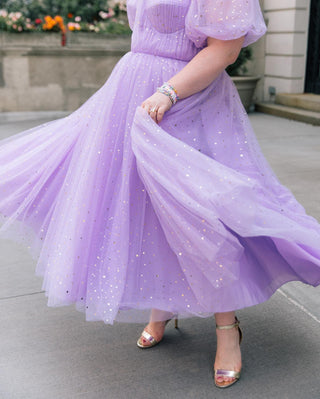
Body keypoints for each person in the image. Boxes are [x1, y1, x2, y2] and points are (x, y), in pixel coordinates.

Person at [1, 0, 320, 390]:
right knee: (144, 207)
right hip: (130, 93)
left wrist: (168, 92)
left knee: (200, 214)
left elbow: (225, 48)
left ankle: (227, 328)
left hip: (188, 99)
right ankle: (163, 302)